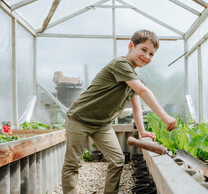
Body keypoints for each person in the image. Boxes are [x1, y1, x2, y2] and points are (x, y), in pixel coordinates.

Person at [61, 30, 177, 194]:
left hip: (102, 124)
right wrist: (165, 116)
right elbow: (144, 92)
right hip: (79, 118)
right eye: (143, 49)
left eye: (151, 53)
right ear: (131, 46)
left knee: (117, 160)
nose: (147, 56)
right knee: (73, 163)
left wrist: (142, 131)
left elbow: (136, 105)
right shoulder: (120, 64)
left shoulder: (133, 75)